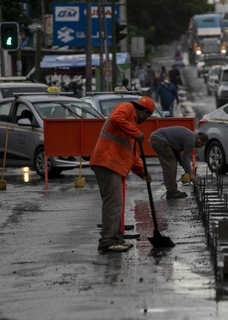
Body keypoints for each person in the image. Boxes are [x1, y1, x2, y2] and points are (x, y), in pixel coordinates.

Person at [89, 96, 155, 253]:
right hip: (107, 162)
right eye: (148, 116)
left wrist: (144, 173)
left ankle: (116, 238)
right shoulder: (127, 108)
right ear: (144, 111)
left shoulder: (130, 125)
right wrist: (135, 132)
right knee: (113, 203)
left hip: (113, 164)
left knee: (117, 204)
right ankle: (107, 241)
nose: (146, 120)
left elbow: (133, 157)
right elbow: (115, 117)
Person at [149, 126, 209, 199]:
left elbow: (178, 156)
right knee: (170, 164)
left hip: (157, 138)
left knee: (171, 163)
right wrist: (191, 174)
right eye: (202, 144)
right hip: (159, 140)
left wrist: (186, 169)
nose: (200, 147)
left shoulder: (189, 136)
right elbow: (186, 158)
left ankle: (171, 191)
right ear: (199, 139)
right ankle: (172, 192)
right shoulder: (191, 139)